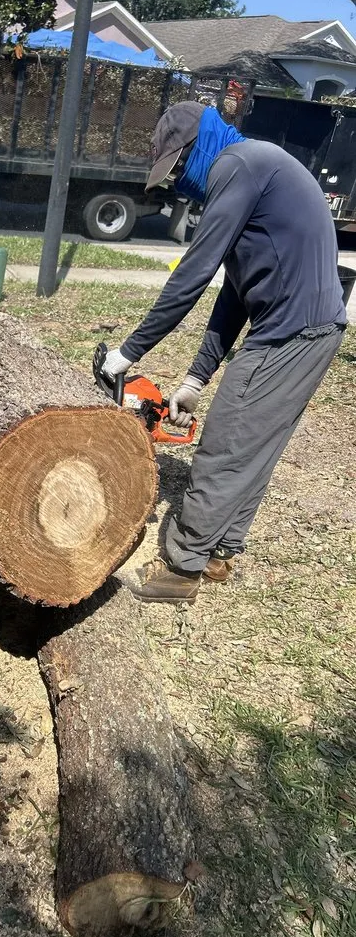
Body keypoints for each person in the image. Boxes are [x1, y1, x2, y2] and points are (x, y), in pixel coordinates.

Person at [97, 101, 347, 604]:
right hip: (314, 327)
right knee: (255, 447)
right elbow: (234, 294)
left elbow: (193, 272)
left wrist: (127, 353)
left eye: (177, 169)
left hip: (289, 332)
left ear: (196, 147)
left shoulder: (238, 164)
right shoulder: (255, 170)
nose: (176, 184)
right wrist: (195, 378)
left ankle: (181, 568)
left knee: (227, 442)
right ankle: (219, 552)